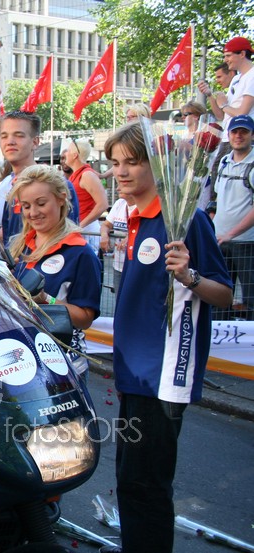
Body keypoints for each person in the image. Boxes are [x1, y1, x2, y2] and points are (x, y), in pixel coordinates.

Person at [99, 122, 233, 553]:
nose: (120, 172)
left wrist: (189, 276)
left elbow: (225, 293)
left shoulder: (186, 219)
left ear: (157, 166)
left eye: (132, 162)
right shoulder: (129, 218)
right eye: (115, 163)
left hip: (163, 372)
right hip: (133, 370)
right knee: (130, 479)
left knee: (146, 484)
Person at [9, 165, 101, 380]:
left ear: (61, 199)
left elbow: (85, 319)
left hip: (63, 366)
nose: (33, 213)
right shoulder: (18, 246)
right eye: (26, 206)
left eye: (41, 203)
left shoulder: (81, 253)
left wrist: (45, 299)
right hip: (22, 360)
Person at [0, 110, 80, 246]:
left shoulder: (57, 184)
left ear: (35, 142)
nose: (10, 142)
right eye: (4, 136)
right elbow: (8, 236)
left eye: (19, 135)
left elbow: (70, 239)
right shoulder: (8, 185)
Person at [212, 114, 254, 320]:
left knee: (251, 299)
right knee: (219, 298)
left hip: (247, 244)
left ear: (252, 135)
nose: (238, 136)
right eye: (234, 132)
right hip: (221, 241)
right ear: (228, 135)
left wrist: (232, 233)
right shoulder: (223, 161)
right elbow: (217, 197)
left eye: (243, 132)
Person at [199, 37, 254, 190]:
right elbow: (221, 116)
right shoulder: (236, 79)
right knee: (218, 179)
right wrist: (210, 95)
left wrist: (224, 105)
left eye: (228, 55)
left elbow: (242, 113)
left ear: (242, 54)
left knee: (238, 184)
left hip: (242, 138)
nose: (225, 60)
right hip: (227, 137)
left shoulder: (252, 76)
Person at [63, 137, 108, 250]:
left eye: (68, 151)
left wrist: (81, 225)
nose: (65, 154)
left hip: (86, 231)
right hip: (79, 229)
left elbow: (103, 204)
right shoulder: (77, 175)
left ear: (75, 155)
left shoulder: (87, 175)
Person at [100, 188, 134, 298]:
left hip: (134, 266)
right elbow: (106, 225)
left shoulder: (142, 205)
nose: (118, 188)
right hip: (118, 265)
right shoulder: (120, 203)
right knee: (119, 300)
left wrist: (131, 237)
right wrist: (104, 236)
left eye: (123, 185)